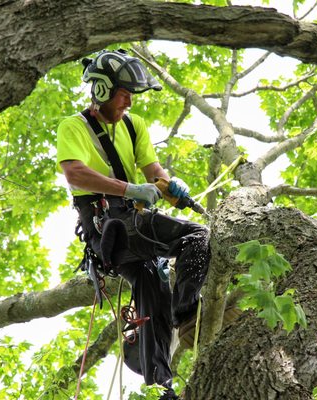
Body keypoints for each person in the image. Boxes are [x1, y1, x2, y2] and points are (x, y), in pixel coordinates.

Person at [56, 49, 210, 400]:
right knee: (196, 237)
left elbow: (153, 174)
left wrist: (172, 189)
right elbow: (74, 172)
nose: (129, 100)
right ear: (101, 90)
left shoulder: (133, 124)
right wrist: (129, 189)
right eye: (124, 92)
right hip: (110, 227)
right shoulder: (75, 127)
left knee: (153, 288)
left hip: (129, 229)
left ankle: (162, 383)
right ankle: (186, 314)